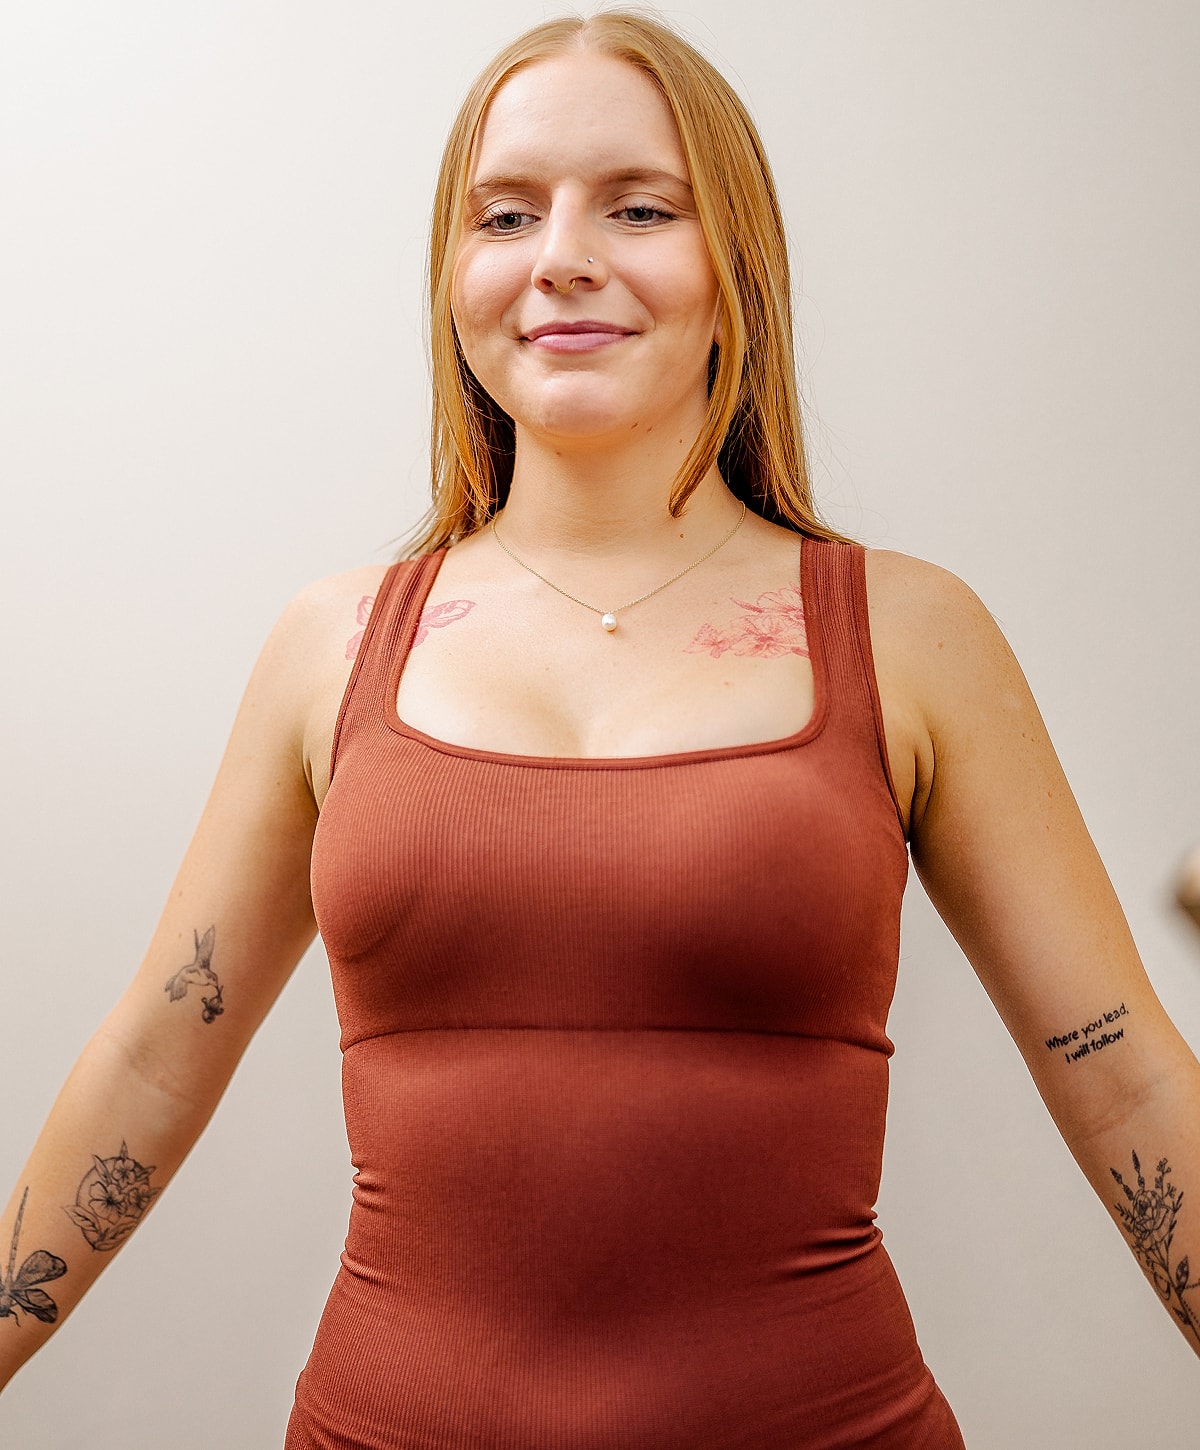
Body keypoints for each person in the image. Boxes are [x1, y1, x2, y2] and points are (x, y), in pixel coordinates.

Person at [2, 10, 1198, 1447]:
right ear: (453, 276)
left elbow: (1122, 1074)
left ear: (735, 264)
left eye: (639, 206)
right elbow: (151, 1061)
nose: (562, 254)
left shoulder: (909, 632)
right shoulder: (332, 646)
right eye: (506, 213)